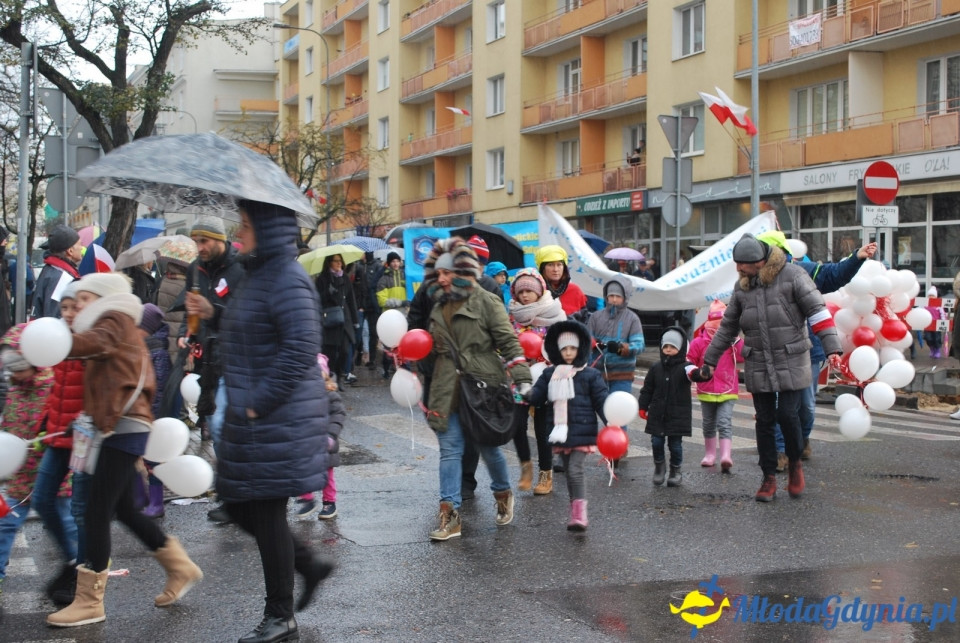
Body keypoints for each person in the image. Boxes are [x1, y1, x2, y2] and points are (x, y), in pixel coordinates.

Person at [191, 201, 335, 642]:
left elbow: (300, 349)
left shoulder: (288, 278)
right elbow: (251, 331)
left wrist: (257, 403)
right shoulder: (258, 275)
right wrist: (213, 313)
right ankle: (309, 566)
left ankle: (280, 617)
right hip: (253, 414)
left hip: (276, 415)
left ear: (268, 228)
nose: (240, 233)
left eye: (246, 225)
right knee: (237, 504)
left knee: (266, 511)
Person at [48, 272, 203, 628]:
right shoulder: (114, 321)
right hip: (117, 426)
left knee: (96, 510)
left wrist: (59, 340)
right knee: (123, 509)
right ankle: (180, 567)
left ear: (103, 298)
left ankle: (90, 602)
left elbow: (95, 343)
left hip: (124, 426)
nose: (78, 305)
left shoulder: (113, 319)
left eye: (84, 298)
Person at [700, 234, 842, 502]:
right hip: (758, 360)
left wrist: (832, 348)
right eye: (736, 263)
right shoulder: (742, 288)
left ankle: (795, 464)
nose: (738, 268)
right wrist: (709, 360)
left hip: (791, 357)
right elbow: (728, 327)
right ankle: (768, 477)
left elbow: (818, 311)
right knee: (764, 421)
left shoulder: (794, 276)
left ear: (760, 261)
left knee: (788, 415)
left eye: (742, 263)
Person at [420, 237, 532, 541]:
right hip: (446, 387)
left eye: (447, 272)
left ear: (462, 270)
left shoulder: (486, 301)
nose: (441, 278)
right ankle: (450, 515)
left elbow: (508, 342)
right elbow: (432, 350)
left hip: (482, 386)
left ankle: (502, 493)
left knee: (487, 448)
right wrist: (408, 356)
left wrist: (522, 378)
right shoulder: (438, 305)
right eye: (438, 273)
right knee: (450, 451)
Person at [29, 284, 86, 605]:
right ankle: (75, 559)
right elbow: (57, 390)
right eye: (64, 307)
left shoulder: (91, 341)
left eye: (74, 307)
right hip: (58, 435)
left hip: (82, 438)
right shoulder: (59, 341)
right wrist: (44, 423)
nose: (68, 313)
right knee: (42, 499)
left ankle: (82, 571)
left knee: (84, 509)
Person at [525, 320, 607, 531]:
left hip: (583, 430)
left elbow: (601, 402)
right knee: (570, 473)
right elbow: (538, 395)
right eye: (564, 349)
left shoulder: (590, 375)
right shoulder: (550, 374)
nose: (568, 353)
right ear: (557, 351)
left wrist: (611, 423)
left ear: (580, 349)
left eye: (573, 348)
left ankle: (580, 515)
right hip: (560, 432)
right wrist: (527, 394)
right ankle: (575, 510)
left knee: (574, 469)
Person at [0, 325, 56, 598]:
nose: (14, 375)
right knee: (5, 522)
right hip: (21, 472)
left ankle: (84, 565)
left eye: (19, 369)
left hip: (53, 472)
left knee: (64, 524)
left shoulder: (51, 386)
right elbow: (9, 424)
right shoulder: (15, 388)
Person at [507, 268, 566, 495]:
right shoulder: (511, 317)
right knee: (517, 425)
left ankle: (545, 474)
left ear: (539, 292)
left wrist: (550, 361)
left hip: (544, 379)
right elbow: (504, 344)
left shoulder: (554, 314)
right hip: (519, 378)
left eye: (529, 291)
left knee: (542, 429)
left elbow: (565, 346)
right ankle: (526, 466)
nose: (524, 296)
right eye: (520, 292)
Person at [638, 328, 709, 487]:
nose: (668, 350)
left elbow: (694, 374)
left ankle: (675, 470)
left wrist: (703, 374)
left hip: (677, 415)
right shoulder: (655, 367)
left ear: (681, 348)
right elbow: (647, 389)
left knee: (675, 445)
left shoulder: (686, 367)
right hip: (657, 414)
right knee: (656, 442)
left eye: (673, 347)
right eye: (666, 346)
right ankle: (659, 467)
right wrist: (642, 406)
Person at [686, 300, 743, 471]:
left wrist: (737, 340)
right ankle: (710, 454)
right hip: (706, 390)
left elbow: (742, 356)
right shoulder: (699, 342)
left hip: (728, 389)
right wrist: (695, 373)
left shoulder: (731, 341)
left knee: (724, 422)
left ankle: (726, 455)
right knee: (708, 423)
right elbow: (689, 361)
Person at [295, 353, 345, 521]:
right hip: (306, 442)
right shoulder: (302, 395)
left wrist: (331, 436)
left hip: (325, 442)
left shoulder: (330, 395)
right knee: (303, 470)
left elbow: (338, 415)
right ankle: (307, 499)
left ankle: (329, 502)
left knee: (327, 474)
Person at [138, 304, 172, 518]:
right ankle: (141, 497)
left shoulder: (157, 351)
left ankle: (156, 502)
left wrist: (152, 414)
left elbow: (158, 389)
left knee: (153, 458)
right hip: (140, 411)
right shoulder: (141, 346)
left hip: (152, 413)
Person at [587, 278, 644, 396]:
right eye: (611, 296)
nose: (614, 299)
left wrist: (620, 348)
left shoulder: (632, 319)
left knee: (618, 405)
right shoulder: (595, 317)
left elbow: (639, 345)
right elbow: (586, 340)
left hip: (622, 375)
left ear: (625, 297)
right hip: (597, 373)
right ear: (606, 296)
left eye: (618, 296)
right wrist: (594, 344)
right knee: (599, 405)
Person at [316, 253, 359, 389]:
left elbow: (351, 299)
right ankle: (330, 377)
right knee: (331, 353)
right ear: (329, 262)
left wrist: (355, 320)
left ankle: (339, 376)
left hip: (344, 320)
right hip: (330, 320)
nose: (339, 263)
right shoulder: (322, 279)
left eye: (340, 261)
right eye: (336, 261)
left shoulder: (344, 278)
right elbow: (317, 300)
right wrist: (328, 293)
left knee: (345, 351)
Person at [32, 224, 83, 320]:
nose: (81, 248)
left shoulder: (51, 269)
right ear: (70, 251)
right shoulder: (62, 278)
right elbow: (54, 317)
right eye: (80, 244)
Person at [376, 251, 407, 380]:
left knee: (402, 344)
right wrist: (399, 302)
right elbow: (382, 300)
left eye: (397, 261)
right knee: (389, 346)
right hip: (389, 318)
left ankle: (401, 368)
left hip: (403, 316)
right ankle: (386, 368)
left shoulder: (406, 277)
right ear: (389, 264)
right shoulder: (383, 279)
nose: (395, 263)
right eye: (393, 261)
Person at [535, 245, 587, 321]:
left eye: (559, 264)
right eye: (550, 265)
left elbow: (585, 319)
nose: (555, 269)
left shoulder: (575, 290)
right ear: (542, 268)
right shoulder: (535, 291)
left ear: (564, 267)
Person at [360, 251, 384, 369]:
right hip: (361, 303)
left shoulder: (377, 266)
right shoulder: (359, 266)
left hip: (372, 304)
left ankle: (372, 358)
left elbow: (376, 285)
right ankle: (362, 353)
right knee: (361, 331)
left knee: (372, 332)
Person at [924, 286, 943, 358]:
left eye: (932, 295)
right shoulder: (925, 304)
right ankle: (932, 349)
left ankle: (937, 351)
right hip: (927, 325)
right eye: (929, 295)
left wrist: (943, 321)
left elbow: (942, 313)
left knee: (936, 338)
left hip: (936, 325)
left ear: (936, 296)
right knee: (928, 338)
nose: (931, 297)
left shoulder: (938, 304)